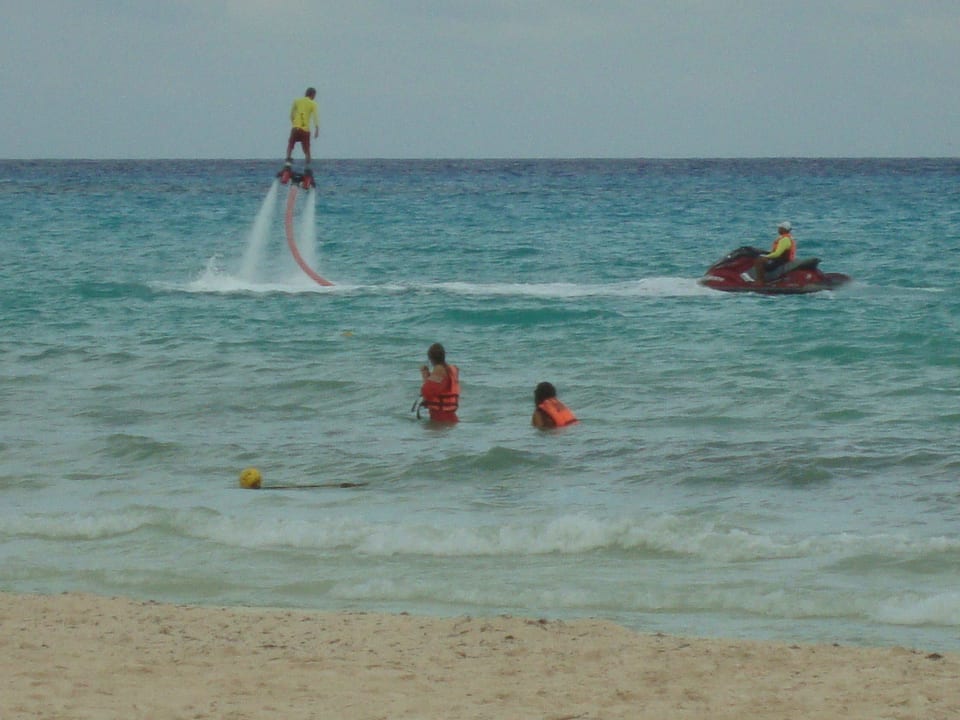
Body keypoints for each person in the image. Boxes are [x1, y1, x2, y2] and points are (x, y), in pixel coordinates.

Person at [418, 343, 460, 423]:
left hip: (440, 419)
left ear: (431, 358)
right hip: (450, 418)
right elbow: (440, 388)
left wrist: (425, 375)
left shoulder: (439, 370)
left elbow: (427, 392)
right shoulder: (449, 370)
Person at [285, 88, 320, 166]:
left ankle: (287, 161)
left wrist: (294, 123)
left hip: (295, 128)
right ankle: (308, 166)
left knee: (290, 145)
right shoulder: (313, 103)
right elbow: (315, 117)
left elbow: (291, 115)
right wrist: (317, 129)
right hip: (305, 130)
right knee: (307, 149)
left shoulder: (296, 101)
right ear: (313, 94)